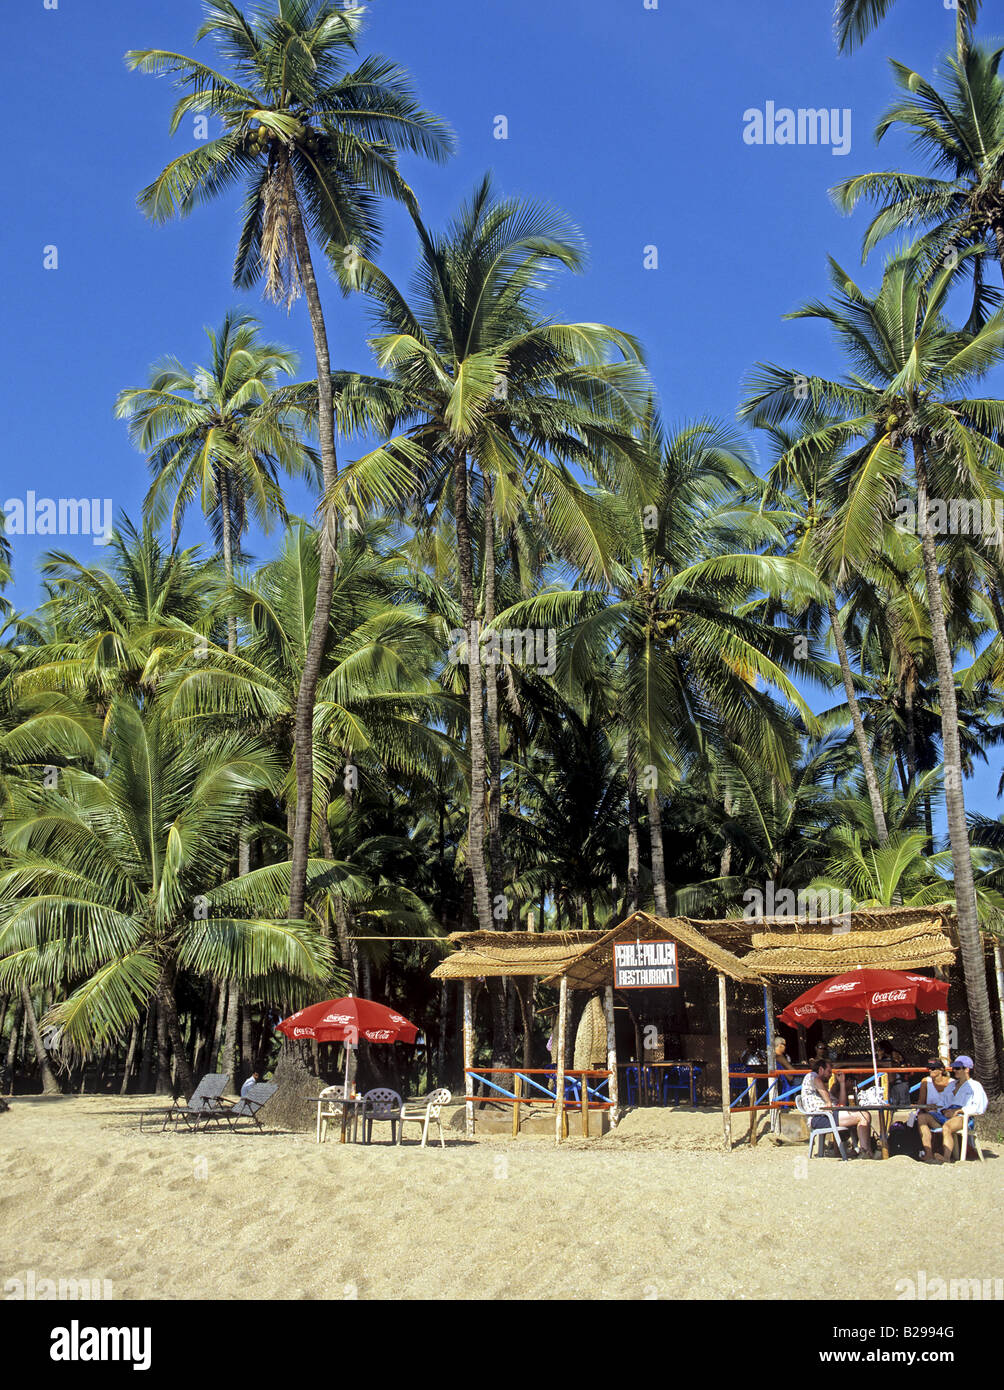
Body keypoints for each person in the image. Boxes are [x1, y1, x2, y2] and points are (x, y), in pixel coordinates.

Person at [916, 1056, 988, 1162]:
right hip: (947, 1114)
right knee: (922, 1118)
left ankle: (946, 1158)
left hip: (963, 1116)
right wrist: (944, 1110)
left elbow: (980, 1106)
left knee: (947, 1126)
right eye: (954, 1068)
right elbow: (942, 1102)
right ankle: (929, 1153)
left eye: (958, 1068)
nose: (955, 1070)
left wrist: (960, 1111)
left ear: (967, 1069)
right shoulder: (951, 1085)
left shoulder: (975, 1086)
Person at [800, 1057, 875, 1158]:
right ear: (821, 1069)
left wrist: (842, 1083)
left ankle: (864, 1150)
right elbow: (817, 1081)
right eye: (829, 1071)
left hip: (827, 1116)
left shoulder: (823, 1090)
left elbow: (841, 1104)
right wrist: (828, 1102)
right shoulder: (812, 1076)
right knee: (863, 1116)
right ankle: (865, 1151)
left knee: (864, 1114)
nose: (831, 1075)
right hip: (819, 1117)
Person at [876, 1039, 909, 1106]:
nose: (878, 1051)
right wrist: (880, 1056)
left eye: (880, 1049)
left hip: (899, 1081)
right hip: (889, 1082)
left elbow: (896, 1064)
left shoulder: (894, 1053)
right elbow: (878, 1065)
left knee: (902, 1104)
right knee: (893, 1102)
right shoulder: (883, 1057)